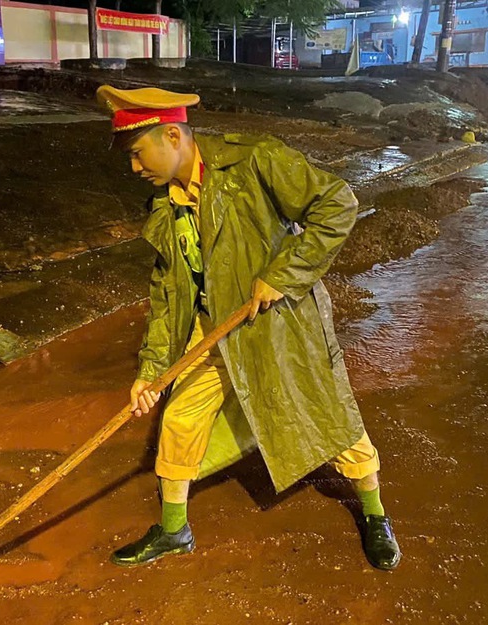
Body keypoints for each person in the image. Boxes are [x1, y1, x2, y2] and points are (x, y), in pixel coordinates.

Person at [95, 85, 401, 571]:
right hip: (209, 328)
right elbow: (167, 293)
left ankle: (375, 514)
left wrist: (282, 275)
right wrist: (151, 371)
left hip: (278, 322)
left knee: (327, 417)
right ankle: (174, 530)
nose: (134, 168)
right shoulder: (163, 206)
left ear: (172, 136)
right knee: (177, 421)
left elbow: (337, 205)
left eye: (137, 153)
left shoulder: (256, 162)